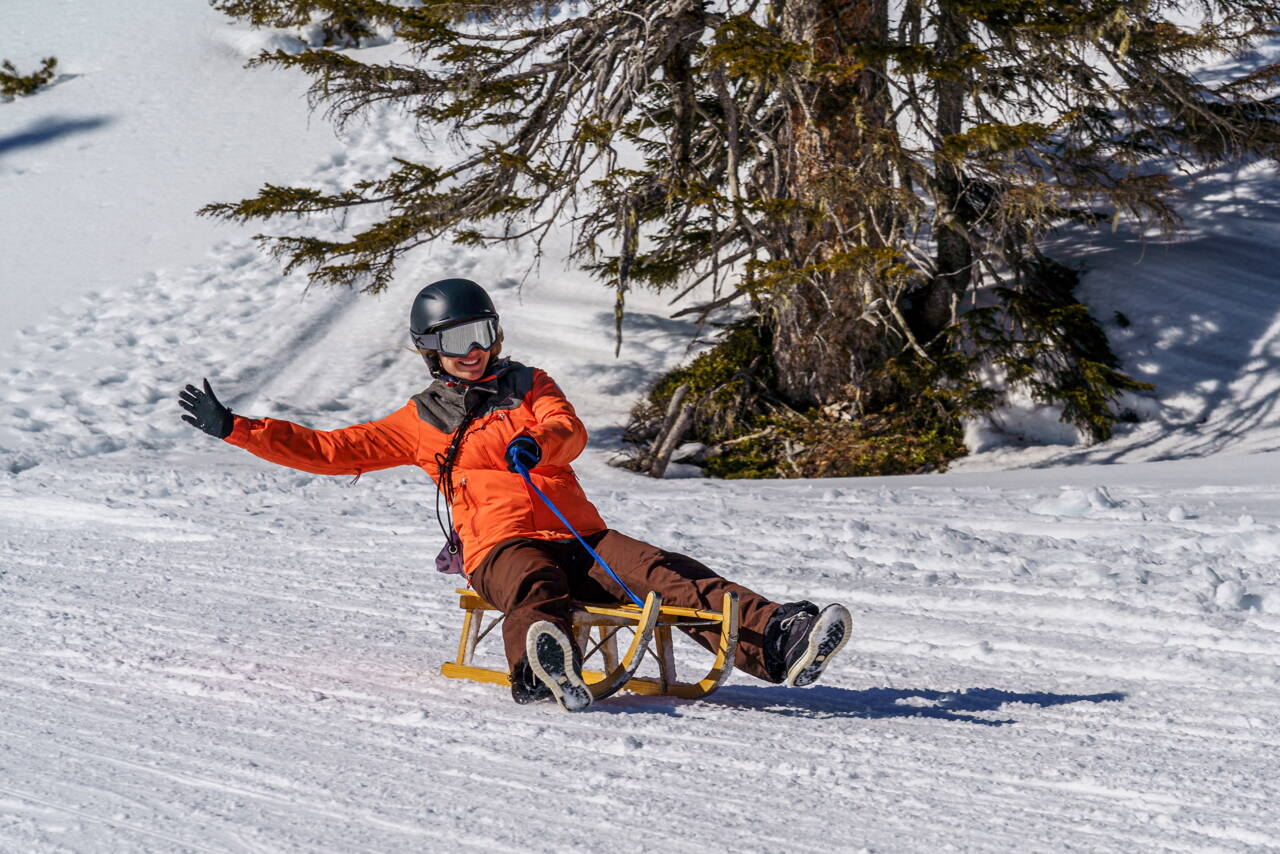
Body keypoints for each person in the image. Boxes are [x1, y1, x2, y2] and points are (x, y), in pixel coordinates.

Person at [179, 277, 852, 711]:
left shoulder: (529, 384)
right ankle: (543, 664)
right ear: (428, 351)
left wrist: (542, 445)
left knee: (666, 573)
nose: (471, 353)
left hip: (579, 533)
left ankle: (780, 639)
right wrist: (237, 428)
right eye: (453, 342)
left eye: (480, 336)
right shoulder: (418, 423)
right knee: (531, 583)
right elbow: (330, 452)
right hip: (498, 545)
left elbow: (567, 427)